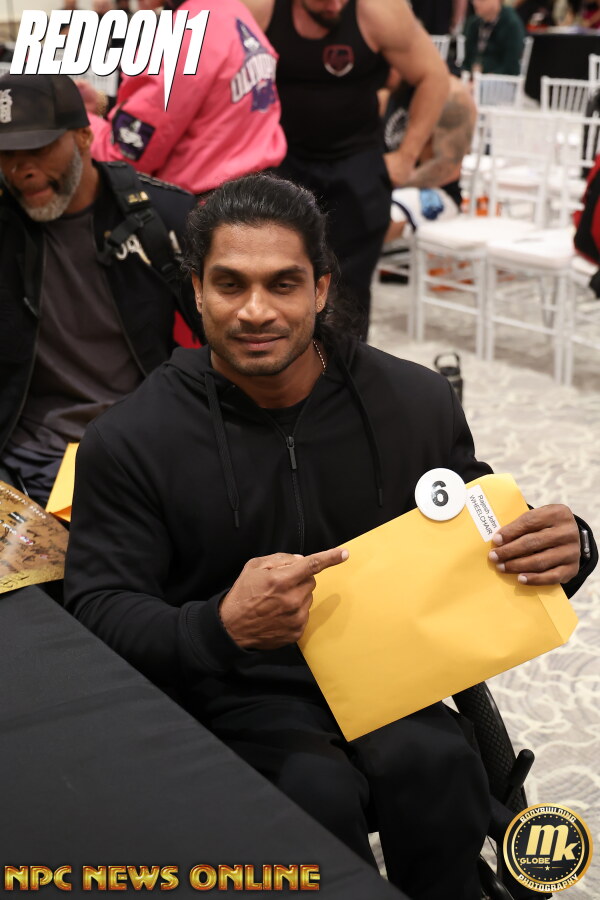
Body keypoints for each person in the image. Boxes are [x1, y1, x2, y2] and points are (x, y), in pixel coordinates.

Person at [64, 173, 597, 900]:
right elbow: (99, 609)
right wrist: (220, 626)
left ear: (320, 288)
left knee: (438, 764)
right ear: (197, 291)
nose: (256, 310)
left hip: (395, 677)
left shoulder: (412, 401)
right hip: (230, 691)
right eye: (230, 284)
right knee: (311, 792)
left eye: (283, 284)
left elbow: (485, 536)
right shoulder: (129, 440)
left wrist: (569, 548)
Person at [0, 73, 199, 506]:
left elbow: (225, 341)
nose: (21, 170)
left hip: (140, 450)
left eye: (39, 149)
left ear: (85, 136)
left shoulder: (159, 217)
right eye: (6, 154)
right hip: (23, 463)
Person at [241, 0, 450, 336]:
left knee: (348, 295)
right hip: (283, 161)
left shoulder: (379, 9)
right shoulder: (259, 8)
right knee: (277, 280)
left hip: (356, 165)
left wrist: (407, 155)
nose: (334, 4)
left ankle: (345, 369)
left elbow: (434, 76)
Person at [78, 0, 286, 196]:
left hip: (205, 209)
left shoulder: (183, 35)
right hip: (256, 194)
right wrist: (102, 104)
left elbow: (124, 157)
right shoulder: (232, 11)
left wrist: (79, 118)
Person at [383, 73, 476, 241]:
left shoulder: (451, 94)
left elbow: (448, 169)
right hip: (389, 182)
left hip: (434, 190)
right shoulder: (389, 89)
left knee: (371, 218)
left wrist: (385, 179)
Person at [462, 0, 525, 76]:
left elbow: (511, 67)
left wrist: (485, 74)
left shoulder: (511, 24)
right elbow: (467, 61)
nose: (475, 3)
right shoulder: (474, 23)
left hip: (499, 79)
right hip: (473, 76)